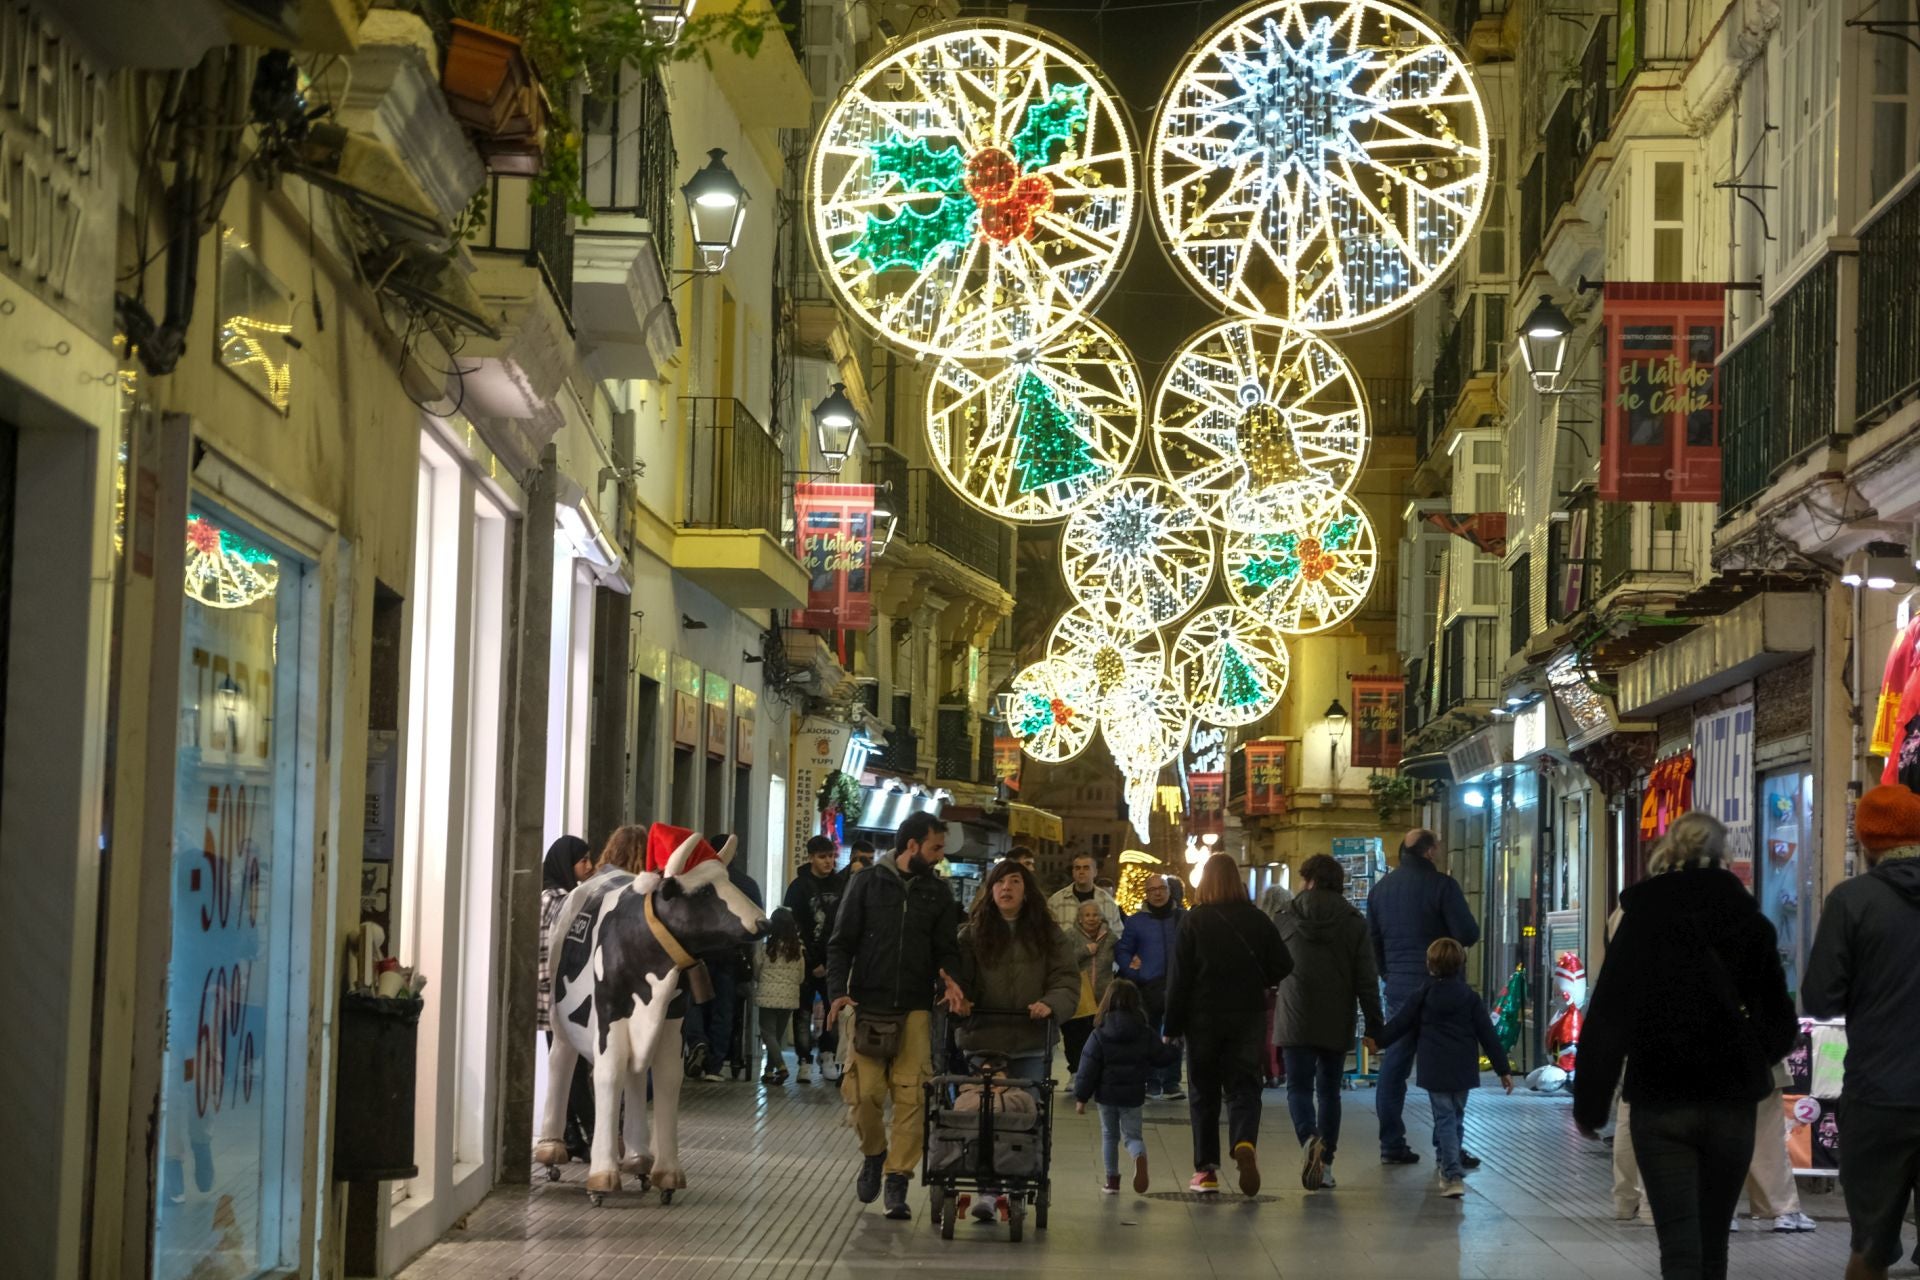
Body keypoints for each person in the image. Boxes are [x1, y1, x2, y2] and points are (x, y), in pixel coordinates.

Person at [1573, 812, 1797, 1280]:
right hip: (1731, 1102)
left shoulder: (1639, 922)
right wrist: (1748, 1055)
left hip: (1660, 1099)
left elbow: (1609, 1016)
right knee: (1714, 1242)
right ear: (1722, 856)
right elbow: (1780, 1022)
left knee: (1678, 1244)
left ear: (1668, 852)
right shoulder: (1750, 924)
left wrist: (1590, 1106)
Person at [826, 812, 967, 1220]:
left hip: (917, 1007)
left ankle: (897, 1179)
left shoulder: (938, 893)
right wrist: (837, 993)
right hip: (868, 1005)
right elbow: (841, 943)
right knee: (863, 1093)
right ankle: (874, 1154)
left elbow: (947, 949)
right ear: (912, 846)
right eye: (935, 848)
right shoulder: (866, 883)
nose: (940, 857)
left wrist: (951, 980)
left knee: (913, 1096)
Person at [1805, 783, 1920, 1280]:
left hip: (1878, 1096)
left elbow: (1820, 999)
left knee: (1869, 1248)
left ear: (1866, 843)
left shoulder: (1852, 901)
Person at [953, 859, 1079, 1221]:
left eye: (1014, 882)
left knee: (1025, 1115)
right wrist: (961, 1000)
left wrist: (1050, 1004)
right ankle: (988, 1190)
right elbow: (958, 980)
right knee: (986, 1115)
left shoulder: (1048, 935)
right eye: (1000, 882)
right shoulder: (971, 935)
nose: (1006, 888)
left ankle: (1017, 1181)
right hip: (983, 1039)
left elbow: (1066, 980)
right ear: (990, 890)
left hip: (1030, 1041)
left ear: (1027, 891)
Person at [1165, 853, 1293, 1196]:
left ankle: (1206, 1171)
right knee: (1245, 1085)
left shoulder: (1193, 921)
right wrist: (1260, 980)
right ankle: (1244, 1141)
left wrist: (1171, 1025)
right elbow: (1284, 963)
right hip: (1247, 1015)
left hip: (1202, 1018)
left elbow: (1179, 979)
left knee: (1203, 1092)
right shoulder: (1257, 919)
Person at [1369, 828, 1481, 1166]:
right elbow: (1467, 933)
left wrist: (1390, 974)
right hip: (1440, 990)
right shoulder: (1442, 886)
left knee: (1394, 1066)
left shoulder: (1381, 890)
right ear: (1429, 851)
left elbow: (1373, 943)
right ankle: (1448, 1148)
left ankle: (1391, 1144)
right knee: (1444, 1069)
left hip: (1400, 989)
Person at [1272, 854, 1383, 1192]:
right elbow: (1367, 978)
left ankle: (1309, 1138)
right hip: (1337, 1017)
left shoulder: (1284, 917)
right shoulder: (1353, 921)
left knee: (1298, 1088)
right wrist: (1375, 1027)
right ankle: (1328, 1166)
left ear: (1309, 880)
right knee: (1329, 1092)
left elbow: (1270, 968)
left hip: (1294, 1015)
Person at [1373, 939, 1512, 1198]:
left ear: (1429, 965)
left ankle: (1452, 1174)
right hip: (1463, 1070)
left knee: (1445, 1119)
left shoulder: (1423, 994)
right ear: (1461, 964)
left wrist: (1378, 1041)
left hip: (1435, 1069)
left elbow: (1401, 1023)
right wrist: (1503, 1070)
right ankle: (1448, 1162)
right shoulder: (1470, 997)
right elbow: (1488, 1035)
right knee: (1455, 1118)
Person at [1074, 978, 1178, 1195]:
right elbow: (1161, 1058)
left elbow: (1087, 1068)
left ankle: (1112, 1182)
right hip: (1133, 1095)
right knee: (1133, 1136)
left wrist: (1081, 1098)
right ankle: (1138, 1155)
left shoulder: (1099, 1032)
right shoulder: (1144, 1032)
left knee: (1109, 1136)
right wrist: (1173, 1048)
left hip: (1106, 1096)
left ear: (1107, 1002)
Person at [538, 835, 595, 1161]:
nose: (589, 866)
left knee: (566, 1067)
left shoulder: (557, 896)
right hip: (558, 997)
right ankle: (589, 1133)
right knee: (572, 1069)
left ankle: (571, 1135)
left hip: (558, 996)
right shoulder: (557, 900)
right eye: (583, 860)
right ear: (566, 863)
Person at [1116, 874, 1187, 1099]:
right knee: (1150, 1034)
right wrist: (1133, 972)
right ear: (1146, 894)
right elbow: (1123, 950)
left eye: (1162, 888)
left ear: (1169, 890)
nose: (1157, 893)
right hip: (1149, 986)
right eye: (1152, 889)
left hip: (1178, 985)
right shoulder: (1136, 921)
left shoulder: (1184, 918)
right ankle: (1152, 1080)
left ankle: (1172, 1082)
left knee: (1175, 1034)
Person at [785, 835, 847, 1083]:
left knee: (834, 1010)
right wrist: (812, 961)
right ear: (811, 857)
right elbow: (794, 927)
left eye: (831, 856)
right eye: (822, 857)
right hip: (804, 962)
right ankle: (803, 1060)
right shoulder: (798, 887)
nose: (828, 861)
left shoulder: (841, 885)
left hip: (834, 961)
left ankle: (828, 1054)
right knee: (803, 1011)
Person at [1060, 899, 1116, 1080]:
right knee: (1075, 1037)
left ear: (1101, 917)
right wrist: (1084, 951)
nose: (1091, 919)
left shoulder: (1110, 937)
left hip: (1102, 997)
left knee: (1100, 1036)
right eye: (1087, 915)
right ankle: (1075, 1073)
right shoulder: (1070, 935)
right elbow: (1062, 961)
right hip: (1079, 996)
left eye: (1095, 914)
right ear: (1080, 918)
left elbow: (1121, 955)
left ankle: (1097, 1074)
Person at [754, 907, 806, 1084]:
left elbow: (757, 971)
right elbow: (801, 977)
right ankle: (769, 1071)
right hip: (789, 998)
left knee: (767, 1034)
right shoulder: (798, 950)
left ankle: (781, 1067)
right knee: (775, 1036)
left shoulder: (766, 948)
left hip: (767, 996)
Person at [1257, 882, 1295, 1087]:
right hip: (1289, 983)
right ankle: (1283, 1070)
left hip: (1268, 985)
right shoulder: (1293, 923)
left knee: (1269, 1030)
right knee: (1285, 1028)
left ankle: (1271, 1072)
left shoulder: (1263, 923)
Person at [1048, 852, 1125, 936]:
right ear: (1073, 872)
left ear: (1095, 872)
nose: (1081, 872)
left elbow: (1117, 934)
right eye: (1077, 868)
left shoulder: (1107, 901)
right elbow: (1048, 933)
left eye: (1086, 868)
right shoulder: (1056, 901)